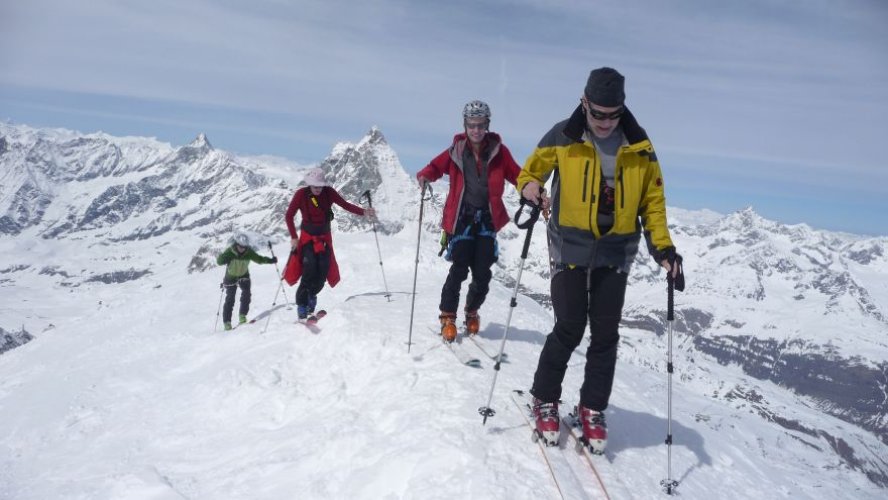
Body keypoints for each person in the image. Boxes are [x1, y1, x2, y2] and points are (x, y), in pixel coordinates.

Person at [518, 67, 685, 453]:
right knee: (570, 325)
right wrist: (530, 188)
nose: (606, 122)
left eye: (613, 114)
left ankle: (592, 407)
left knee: (606, 334)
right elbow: (531, 171)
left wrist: (664, 249)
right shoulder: (563, 135)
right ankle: (544, 397)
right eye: (598, 114)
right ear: (585, 103)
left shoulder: (641, 147)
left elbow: (653, 204)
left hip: (616, 250)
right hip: (568, 244)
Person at [416, 100, 521, 342]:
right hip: (462, 218)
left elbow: (517, 174)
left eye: (480, 125)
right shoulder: (456, 150)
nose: (476, 130)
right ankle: (447, 315)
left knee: (483, 272)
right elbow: (434, 167)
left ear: (487, 125)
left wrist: (530, 187)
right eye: (472, 125)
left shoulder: (499, 151)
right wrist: (424, 177)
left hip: (486, 219)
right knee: (460, 269)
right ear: (465, 125)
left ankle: (471, 311)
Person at [284, 167, 376, 319]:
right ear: (309, 185)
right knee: (309, 269)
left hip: (324, 238)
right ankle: (302, 305)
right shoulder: (301, 194)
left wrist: (364, 212)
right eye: (315, 187)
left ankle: (312, 296)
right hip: (307, 238)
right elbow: (289, 216)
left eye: (320, 186)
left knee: (323, 271)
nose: (318, 190)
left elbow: (345, 205)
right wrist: (294, 237)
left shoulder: (329, 192)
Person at [216, 232, 278, 330]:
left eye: (244, 247)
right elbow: (219, 262)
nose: (242, 249)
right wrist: (223, 258)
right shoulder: (230, 251)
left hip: (244, 275)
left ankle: (242, 316)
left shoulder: (249, 252)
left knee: (246, 294)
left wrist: (271, 260)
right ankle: (227, 323)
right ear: (237, 245)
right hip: (230, 277)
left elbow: (259, 259)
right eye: (240, 247)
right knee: (230, 299)